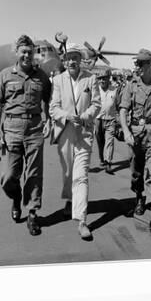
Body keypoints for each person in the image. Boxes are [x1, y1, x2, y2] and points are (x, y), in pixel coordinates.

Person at [0, 34, 52, 236]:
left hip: (35, 128)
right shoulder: (6, 75)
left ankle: (32, 213)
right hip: (11, 129)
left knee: (34, 174)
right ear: (16, 53)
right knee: (8, 177)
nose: (27, 55)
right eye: (23, 51)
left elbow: (48, 101)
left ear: (34, 53)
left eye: (30, 51)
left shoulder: (41, 76)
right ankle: (16, 197)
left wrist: (48, 120)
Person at [49, 44, 101, 240]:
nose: (72, 61)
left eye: (76, 57)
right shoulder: (58, 80)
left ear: (81, 60)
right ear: (64, 60)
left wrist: (85, 116)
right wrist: (67, 116)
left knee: (81, 176)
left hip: (85, 133)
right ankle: (70, 200)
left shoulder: (91, 78)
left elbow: (96, 104)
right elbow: (53, 108)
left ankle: (81, 220)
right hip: (65, 132)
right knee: (69, 173)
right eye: (69, 57)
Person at [119, 49, 151, 232]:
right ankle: (139, 196)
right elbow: (123, 110)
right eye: (136, 63)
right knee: (137, 173)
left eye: (141, 63)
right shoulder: (131, 85)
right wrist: (125, 131)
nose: (137, 67)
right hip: (136, 133)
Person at [94, 69, 117, 173]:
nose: (102, 81)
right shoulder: (95, 91)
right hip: (98, 119)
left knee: (109, 141)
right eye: (100, 79)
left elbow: (119, 105)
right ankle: (102, 158)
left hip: (110, 120)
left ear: (109, 79)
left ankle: (108, 163)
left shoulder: (115, 90)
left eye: (104, 78)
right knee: (100, 142)